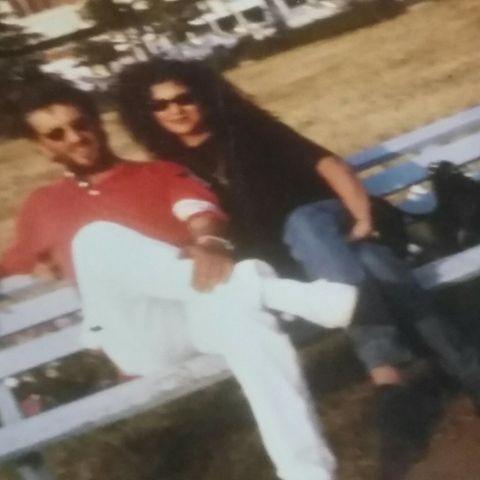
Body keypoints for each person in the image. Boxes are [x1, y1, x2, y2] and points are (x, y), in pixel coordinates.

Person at [115, 58, 480, 474]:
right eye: (161, 105)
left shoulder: (248, 131)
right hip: (306, 260)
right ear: (146, 114)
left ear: (203, 96)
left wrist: (362, 218)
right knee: (376, 267)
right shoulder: (171, 167)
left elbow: (330, 165)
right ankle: (469, 370)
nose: (176, 110)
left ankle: (386, 375)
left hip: (333, 221)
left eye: (184, 98)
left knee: (304, 224)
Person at [0, 75, 361, 480]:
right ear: (43, 148)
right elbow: (9, 264)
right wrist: (38, 265)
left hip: (205, 309)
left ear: (97, 123)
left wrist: (208, 241)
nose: (75, 137)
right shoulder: (43, 205)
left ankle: (308, 473)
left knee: (251, 327)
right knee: (96, 238)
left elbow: (201, 213)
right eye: (57, 134)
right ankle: (283, 293)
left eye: (81, 124)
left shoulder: (159, 172)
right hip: (141, 338)